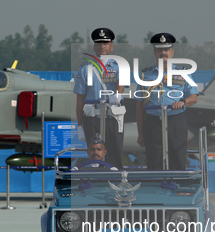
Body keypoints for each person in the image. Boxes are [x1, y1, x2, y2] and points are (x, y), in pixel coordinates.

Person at [136, 33, 199, 170]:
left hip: (175, 121)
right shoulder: (145, 75)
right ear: (154, 52)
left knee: (178, 158)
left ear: (172, 52)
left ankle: (177, 189)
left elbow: (194, 97)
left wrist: (183, 102)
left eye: (166, 50)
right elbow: (140, 105)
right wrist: (140, 133)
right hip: (153, 122)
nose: (163, 53)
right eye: (159, 50)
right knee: (154, 161)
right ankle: (156, 189)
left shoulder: (183, 73)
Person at [73, 28, 125, 169]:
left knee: (114, 154)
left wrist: (118, 93)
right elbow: (80, 99)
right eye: (99, 43)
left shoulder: (119, 66)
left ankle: (115, 186)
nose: (102, 46)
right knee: (94, 156)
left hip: (112, 117)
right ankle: (94, 186)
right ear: (94, 47)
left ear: (111, 46)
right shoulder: (85, 68)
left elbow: (122, 82)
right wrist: (79, 125)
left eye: (106, 43)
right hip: (92, 117)